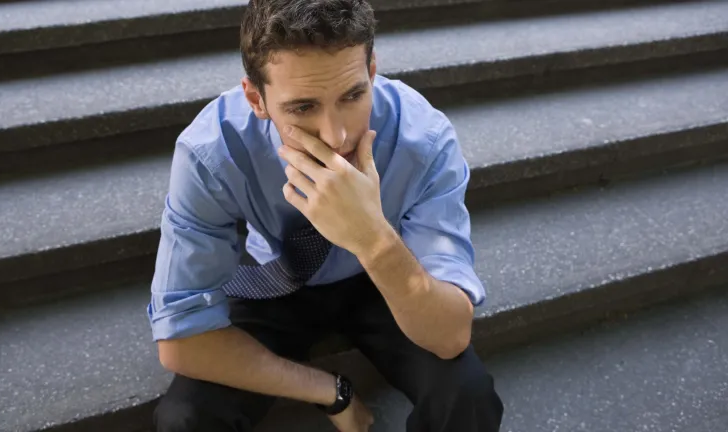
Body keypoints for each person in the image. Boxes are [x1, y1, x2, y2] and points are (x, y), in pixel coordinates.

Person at [147, 0, 504, 431]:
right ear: (256, 99)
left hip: (383, 275)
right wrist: (330, 391)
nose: (336, 137)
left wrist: (372, 236)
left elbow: (450, 337)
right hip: (277, 278)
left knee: (468, 396)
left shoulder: (423, 137)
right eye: (302, 108)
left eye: (353, 95)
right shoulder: (213, 150)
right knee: (184, 420)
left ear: (372, 73)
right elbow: (181, 342)